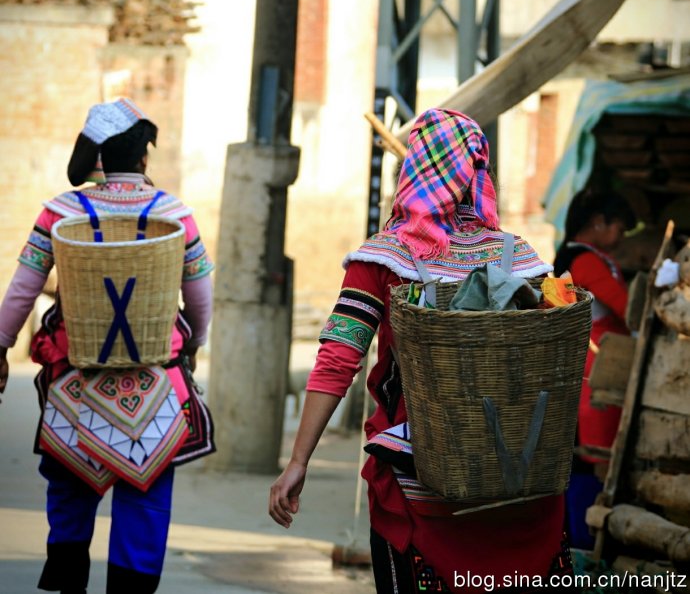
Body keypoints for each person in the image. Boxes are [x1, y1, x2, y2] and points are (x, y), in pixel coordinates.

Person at [269, 108, 575, 593]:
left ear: (410, 172)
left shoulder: (385, 260)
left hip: (424, 483)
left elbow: (337, 359)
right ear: (478, 173)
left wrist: (298, 461)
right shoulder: (520, 258)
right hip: (521, 484)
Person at [0, 98, 215, 594]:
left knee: (70, 492)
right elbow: (200, 299)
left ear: (98, 155)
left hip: (75, 386)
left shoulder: (60, 212)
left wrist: (1, 343)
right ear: (144, 159)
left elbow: (22, 290)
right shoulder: (176, 215)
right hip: (155, 389)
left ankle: (68, 578)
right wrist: (195, 345)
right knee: (146, 502)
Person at [553, 188, 635, 550]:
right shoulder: (583, 259)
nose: (621, 237)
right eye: (619, 227)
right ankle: (585, 547)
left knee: (590, 458)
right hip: (595, 374)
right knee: (592, 458)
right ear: (598, 223)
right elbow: (626, 307)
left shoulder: (581, 256)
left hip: (592, 370)